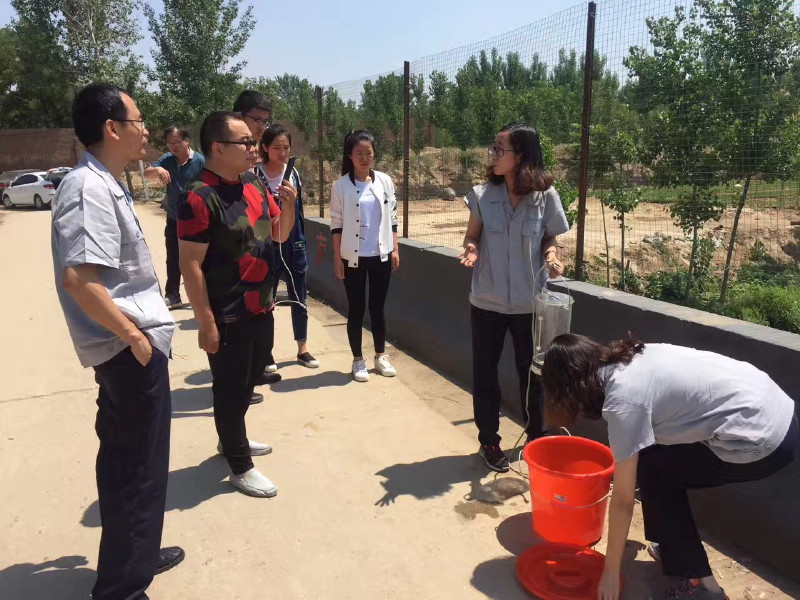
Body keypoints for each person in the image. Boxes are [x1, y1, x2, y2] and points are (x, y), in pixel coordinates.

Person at [51, 84, 184, 600]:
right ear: (112, 128)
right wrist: (134, 338)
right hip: (128, 352)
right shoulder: (88, 187)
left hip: (127, 350)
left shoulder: (104, 182)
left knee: (130, 462)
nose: (146, 130)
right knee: (137, 470)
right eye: (138, 121)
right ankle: (123, 587)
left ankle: (136, 556)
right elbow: (80, 280)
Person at [541, 334, 798, 600]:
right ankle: (673, 547)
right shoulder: (632, 357)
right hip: (775, 404)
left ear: (570, 387)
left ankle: (705, 587)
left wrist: (610, 571)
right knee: (652, 460)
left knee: (656, 471)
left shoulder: (623, 402)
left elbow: (624, 500)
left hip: (763, 437)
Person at [177, 111, 295, 498]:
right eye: (244, 142)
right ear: (218, 148)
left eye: (252, 141)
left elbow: (276, 233)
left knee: (249, 381)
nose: (253, 147)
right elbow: (191, 265)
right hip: (227, 312)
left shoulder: (252, 182)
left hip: (261, 304)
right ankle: (240, 466)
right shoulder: (198, 196)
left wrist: (289, 206)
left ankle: (231, 440)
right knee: (230, 388)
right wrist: (206, 322)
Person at [457, 122, 568, 473]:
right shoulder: (482, 195)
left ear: (520, 155)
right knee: (485, 374)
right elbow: (472, 236)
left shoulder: (545, 196)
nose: (493, 154)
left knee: (533, 375)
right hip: (487, 301)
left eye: (499, 149)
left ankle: (536, 439)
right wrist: (472, 249)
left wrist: (551, 256)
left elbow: (549, 238)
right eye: (494, 147)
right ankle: (489, 442)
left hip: (528, 303)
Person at [330, 130, 399, 382]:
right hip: (352, 258)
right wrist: (337, 258)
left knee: (377, 308)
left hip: (380, 255)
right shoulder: (340, 186)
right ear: (350, 155)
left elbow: (392, 217)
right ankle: (358, 359)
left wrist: (395, 248)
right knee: (356, 309)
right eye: (358, 153)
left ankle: (380, 356)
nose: (364, 158)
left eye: (368, 153)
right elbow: (336, 224)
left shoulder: (385, 181)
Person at [256, 124, 319, 369]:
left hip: (294, 243)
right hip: (265, 244)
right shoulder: (254, 174)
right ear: (265, 148)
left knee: (299, 297)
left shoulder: (294, 174)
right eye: (276, 148)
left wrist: (301, 238)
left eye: (286, 147)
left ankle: (302, 349)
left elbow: (299, 211)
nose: (282, 153)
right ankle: (265, 353)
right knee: (266, 301)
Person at [233, 89, 282, 383]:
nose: (262, 126)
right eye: (257, 119)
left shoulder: (251, 169)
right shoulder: (227, 162)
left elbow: (267, 218)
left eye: (266, 120)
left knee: (259, 326)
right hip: (234, 269)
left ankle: (254, 371)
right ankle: (241, 382)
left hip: (259, 263)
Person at [145, 126, 205, 308]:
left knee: (201, 259)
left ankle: (205, 296)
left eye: (177, 142)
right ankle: (173, 296)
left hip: (196, 220)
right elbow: (147, 173)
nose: (173, 146)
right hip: (174, 219)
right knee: (173, 258)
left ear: (187, 141)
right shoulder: (167, 160)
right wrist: (157, 170)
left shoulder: (200, 161)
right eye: (170, 143)